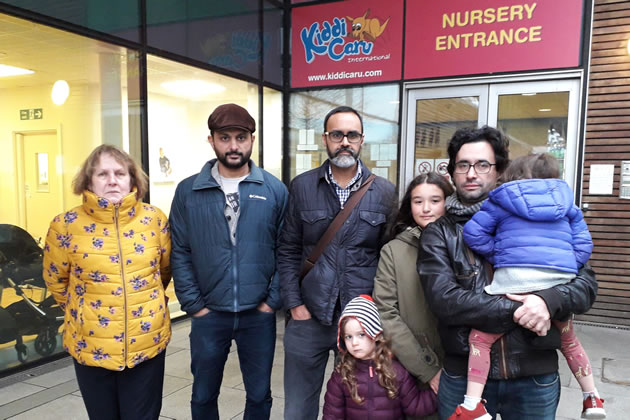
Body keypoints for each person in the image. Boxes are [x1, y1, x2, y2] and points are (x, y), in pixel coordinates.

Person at [417, 126, 598, 420]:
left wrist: (548, 301)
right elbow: (445, 300)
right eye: (463, 165)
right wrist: (526, 307)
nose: (471, 173)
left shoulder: (546, 220)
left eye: (482, 165)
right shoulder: (440, 233)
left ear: (499, 170)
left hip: (534, 375)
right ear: (451, 173)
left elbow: (585, 286)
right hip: (464, 375)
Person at [456, 153, 604, 420]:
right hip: (558, 281)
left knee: (480, 339)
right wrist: (567, 266)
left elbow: (473, 234)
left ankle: (472, 405)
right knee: (569, 341)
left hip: (513, 279)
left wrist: (502, 254)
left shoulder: (501, 200)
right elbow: (583, 245)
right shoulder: (568, 203)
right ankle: (591, 397)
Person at [169, 103, 288, 420]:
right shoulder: (188, 191)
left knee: (260, 395)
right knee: (203, 395)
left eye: (241, 137)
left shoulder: (274, 190)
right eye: (225, 137)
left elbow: (286, 249)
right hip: (210, 315)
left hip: (257, 315)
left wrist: (271, 301)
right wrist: (194, 305)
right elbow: (179, 249)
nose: (234, 145)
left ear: (252, 140)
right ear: (211, 141)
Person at [278, 105, 396, 420]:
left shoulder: (384, 192)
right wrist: (293, 304)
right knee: (298, 407)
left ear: (362, 140)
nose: (344, 141)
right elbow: (287, 248)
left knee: (361, 406)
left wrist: (380, 311)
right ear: (325, 139)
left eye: (352, 135)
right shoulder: (302, 186)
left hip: (363, 319)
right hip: (309, 316)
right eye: (337, 134)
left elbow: (389, 258)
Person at [43, 144, 171, 420]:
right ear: (88, 181)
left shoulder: (154, 220)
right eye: (102, 174)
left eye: (119, 173)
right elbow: (56, 280)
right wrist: (87, 313)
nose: (112, 180)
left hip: (146, 344)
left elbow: (164, 271)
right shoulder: (65, 225)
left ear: (132, 179)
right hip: (91, 346)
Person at [373, 172, 453, 420]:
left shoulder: (469, 241)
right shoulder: (394, 251)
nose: (426, 209)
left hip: (466, 368)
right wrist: (427, 369)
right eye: (418, 201)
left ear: (448, 202)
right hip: (417, 368)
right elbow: (386, 312)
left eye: (435, 200)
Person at [322, 295, 438, 420]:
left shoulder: (397, 371)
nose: (354, 342)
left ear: (376, 334)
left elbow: (415, 406)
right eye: (348, 337)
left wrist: (442, 389)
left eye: (361, 334)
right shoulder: (341, 375)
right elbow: (332, 415)